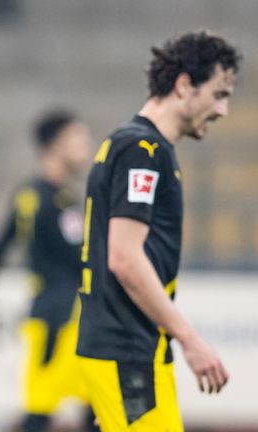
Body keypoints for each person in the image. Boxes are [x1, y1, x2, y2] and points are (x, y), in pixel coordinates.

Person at [76, 31, 240, 431]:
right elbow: (124, 258)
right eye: (219, 93)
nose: (223, 110)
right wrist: (190, 339)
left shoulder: (142, 147)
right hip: (126, 349)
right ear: (184, 85)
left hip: (134, 349)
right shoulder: (142, 152)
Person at [0, 110, 97, 432]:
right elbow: (79, 259)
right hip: (61, 320)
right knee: (52, 411)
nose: (85, 147)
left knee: (88, 407)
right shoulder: (52, 200)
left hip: (55, 314)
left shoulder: (37, 195)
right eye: (77, 139)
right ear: (55, 145)